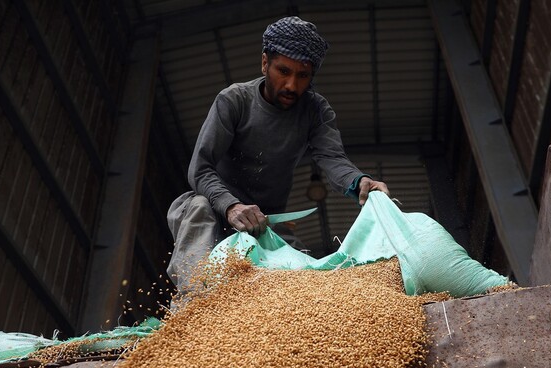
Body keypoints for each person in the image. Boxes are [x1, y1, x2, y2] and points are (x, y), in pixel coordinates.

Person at [166, 15, 389, 289]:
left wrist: (359, 181)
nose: (292, 86)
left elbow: (332, 158)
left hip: (266, 222)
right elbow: (199, 168)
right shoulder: (234, 100)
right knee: (198, 207)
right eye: (283, 71)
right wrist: (232, 206)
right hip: (214, 207)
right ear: (264, 63)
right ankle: (194, 306)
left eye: (303, 75)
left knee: (305, 280)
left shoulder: (315, 110)